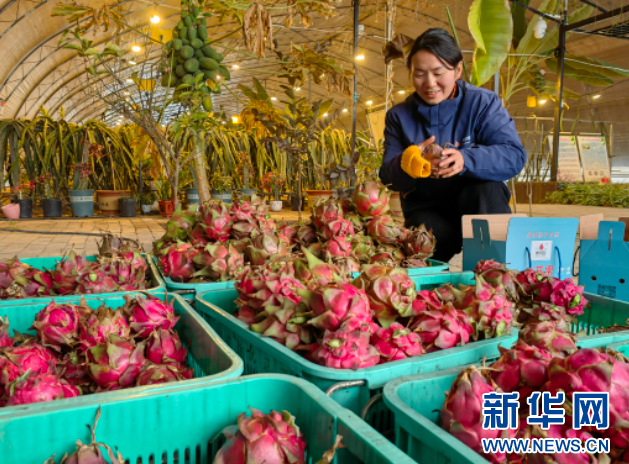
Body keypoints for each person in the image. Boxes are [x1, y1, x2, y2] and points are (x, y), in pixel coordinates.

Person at [379, 28, 526, 263]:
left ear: (457, 69)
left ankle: (494, 276)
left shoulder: (482, 103)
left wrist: (466, 160)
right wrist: (406, 163)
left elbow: (514, 156)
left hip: (478, 204)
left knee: (487, 189)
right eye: (419, 74)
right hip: (429, 209)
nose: (429, 83)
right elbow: (387, 175)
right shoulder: (399, 116)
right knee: (420, 243)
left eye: (438, 73)